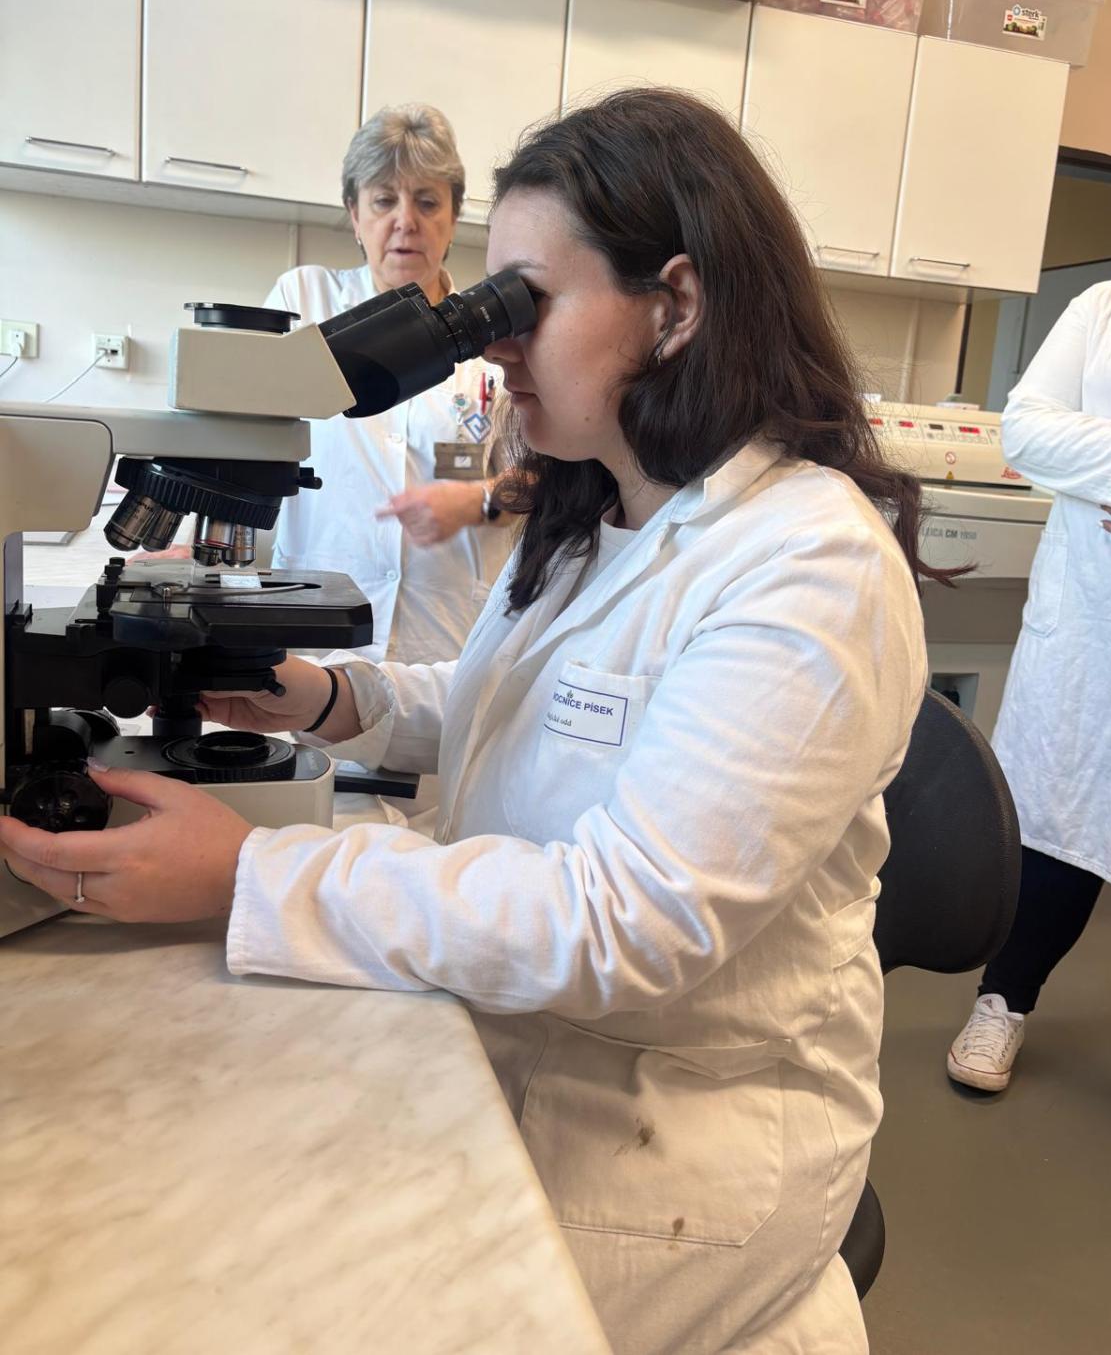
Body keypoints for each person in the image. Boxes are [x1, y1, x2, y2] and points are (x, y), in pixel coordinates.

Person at [2, 89, 947, 1354]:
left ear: (674, 306)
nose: (490, 340)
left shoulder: (809, 566)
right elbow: (517, 701)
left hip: (667, 1133)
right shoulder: (601, 508)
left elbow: (627, 920)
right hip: (512, 1035)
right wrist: (332, 699)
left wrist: (251, 874)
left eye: (523, 301)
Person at [947, 276, 1111, 1094]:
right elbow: (1025, 429)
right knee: (1064, 815)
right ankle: (1004, 1000)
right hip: (1096, 622)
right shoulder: (1104, 309)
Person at [265, 103, 513, 667]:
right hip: (317, 635)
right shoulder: (304, 303)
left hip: (444, 646)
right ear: (354, 214)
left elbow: (543, 478)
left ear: (453, 217)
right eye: (383, 201)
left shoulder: (493, 339)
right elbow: (235, 428)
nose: (406, 221)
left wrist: (477, 500)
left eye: (427, 202)